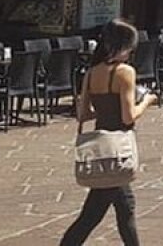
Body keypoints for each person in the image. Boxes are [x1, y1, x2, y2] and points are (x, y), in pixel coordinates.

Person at [60, 19, 156, 246]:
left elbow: (83, 114)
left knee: (106, 210)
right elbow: (128, 116)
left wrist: (104, 109)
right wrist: (147, 101)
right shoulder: (125, 73)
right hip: (118, 148)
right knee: (117, 209)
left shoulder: (92, 73)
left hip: (100, 145)